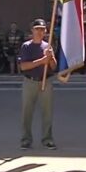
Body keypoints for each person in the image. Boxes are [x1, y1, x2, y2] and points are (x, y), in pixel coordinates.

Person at [19, 19, 57, 150]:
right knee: (27, 112)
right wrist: (41, 61)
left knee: (47, 112)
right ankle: (26, 139)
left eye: (42, 29)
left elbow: (53, 66)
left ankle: (47, 139)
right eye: (37, 29)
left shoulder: (48, 46)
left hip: (46, 81)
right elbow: (24, 66)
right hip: (30, 81)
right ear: (32, 30)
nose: (40, 31)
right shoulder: (26, 46)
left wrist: (51, 57)